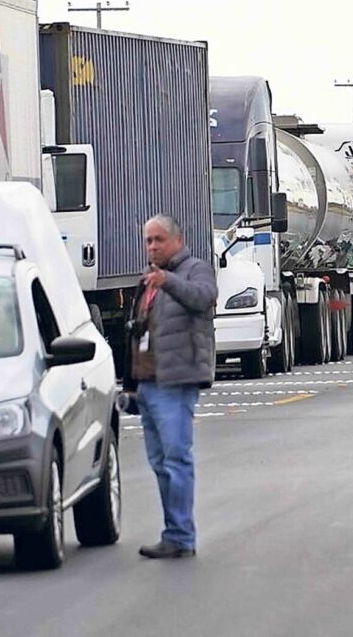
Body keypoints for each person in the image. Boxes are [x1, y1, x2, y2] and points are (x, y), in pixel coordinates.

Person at [131, 214, 216, 559]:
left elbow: (204, 297)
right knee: (159, 461)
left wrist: (167, 281)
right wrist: (131, 384)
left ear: (178, 241)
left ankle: (181, 535)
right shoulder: (149, 279)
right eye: (148, 240)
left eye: (159, 239)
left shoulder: (195, 270)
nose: (152, 247)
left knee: (176, 459)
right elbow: (139, 332)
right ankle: (174, 532)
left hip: (177, 382)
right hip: (149, 383)